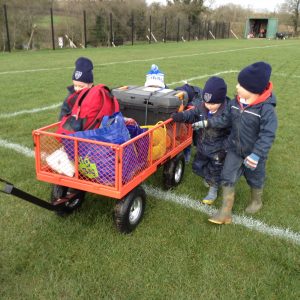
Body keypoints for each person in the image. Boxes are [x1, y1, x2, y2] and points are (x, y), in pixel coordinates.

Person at [194, 62, 277, 224]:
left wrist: (256, 154)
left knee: (255, 177)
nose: (237, 87)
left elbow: (268, 134)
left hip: (254, 153)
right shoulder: (234, 103)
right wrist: (207, 123)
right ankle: (225, 212)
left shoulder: (266, 110)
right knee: (227, 175)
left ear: (253, 89)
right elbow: (225, 120)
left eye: (241, 84)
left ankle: (256, 200)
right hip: (234, 149)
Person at [171, 76, 231, 204]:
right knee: (197, 167)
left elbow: (228, 128)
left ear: (221, 101)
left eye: (213, 103)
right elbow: (192, 114)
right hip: (202, 146)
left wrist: (224, 149)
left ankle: (213, 189)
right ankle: (207, 177)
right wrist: (181, 116)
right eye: (206, 102)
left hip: (218, 150)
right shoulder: (202, 106)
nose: (208, 106)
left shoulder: (228, 112)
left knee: (215, 170)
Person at [174, 83, 202, 163]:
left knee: (193, 126)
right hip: (187, 97)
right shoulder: (173, 95)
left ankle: (191, 151)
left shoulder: (187, 101)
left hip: (197, 97)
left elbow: (189, 113)